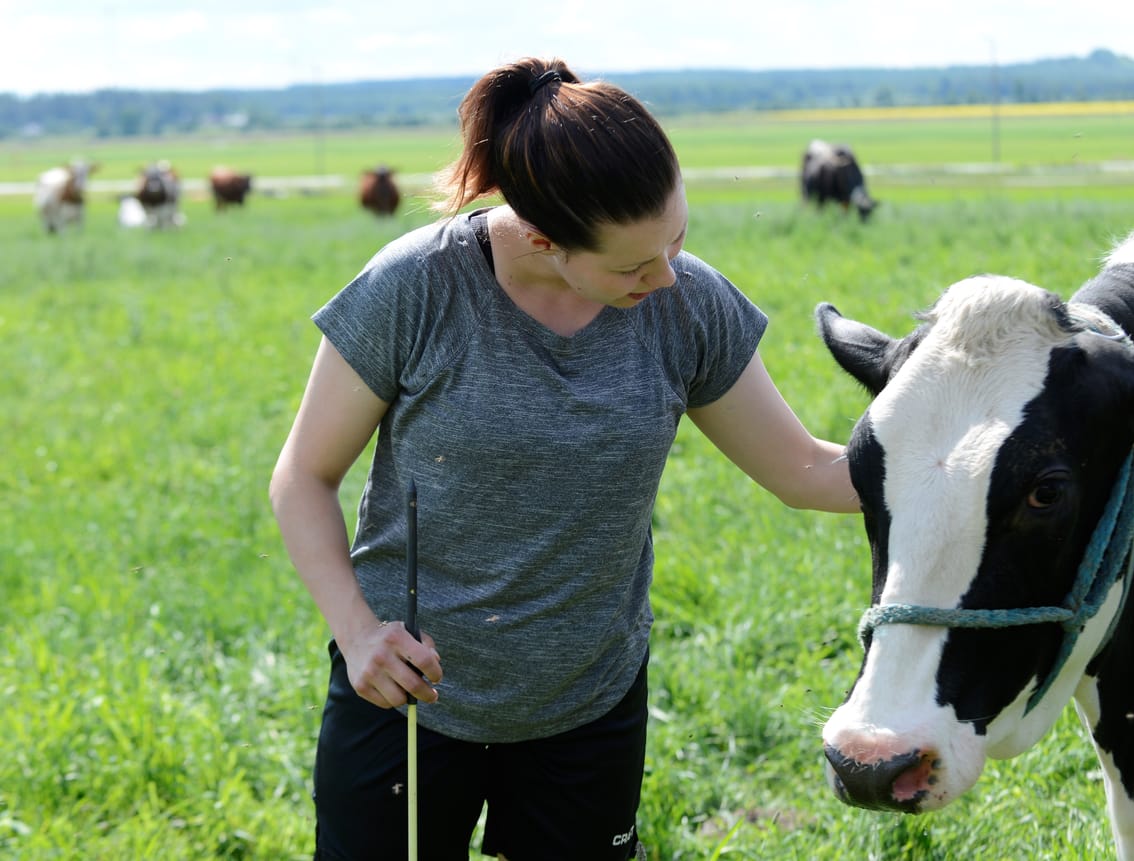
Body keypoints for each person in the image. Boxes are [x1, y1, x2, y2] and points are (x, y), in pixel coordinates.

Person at [269, 56, 859, 861]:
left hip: (589, 703)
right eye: (630, 265)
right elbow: (303, 476)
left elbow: (807, 471)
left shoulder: (687, 304)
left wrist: (974, 468)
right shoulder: (415, 288)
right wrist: (357, 631)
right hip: (405, 698)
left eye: (677, 239)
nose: (666, 275)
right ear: (543, 238)